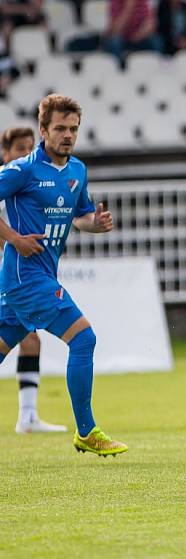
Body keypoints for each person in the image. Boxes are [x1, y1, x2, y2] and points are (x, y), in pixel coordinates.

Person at [0, 95, 126, 456]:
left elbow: (81, 215)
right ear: (43, 130)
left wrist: (94, 224)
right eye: (60, 129)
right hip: (26, 278)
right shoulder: (23, 169)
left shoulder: (77, 171)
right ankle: (86, 431)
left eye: (73, 129)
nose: (67, 135)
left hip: (34, 277)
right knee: (84, 339)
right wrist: (14, 239)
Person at [0, 127, 67, 434]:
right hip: (9, 278)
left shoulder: (25, 185)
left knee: (29, 339)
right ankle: (27, 417)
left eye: (30, 147)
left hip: (16, 278)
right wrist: (14, 239)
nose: (26, 153)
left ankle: (28, 416)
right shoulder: (9, 181)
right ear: (5, 153)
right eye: (19, 148)